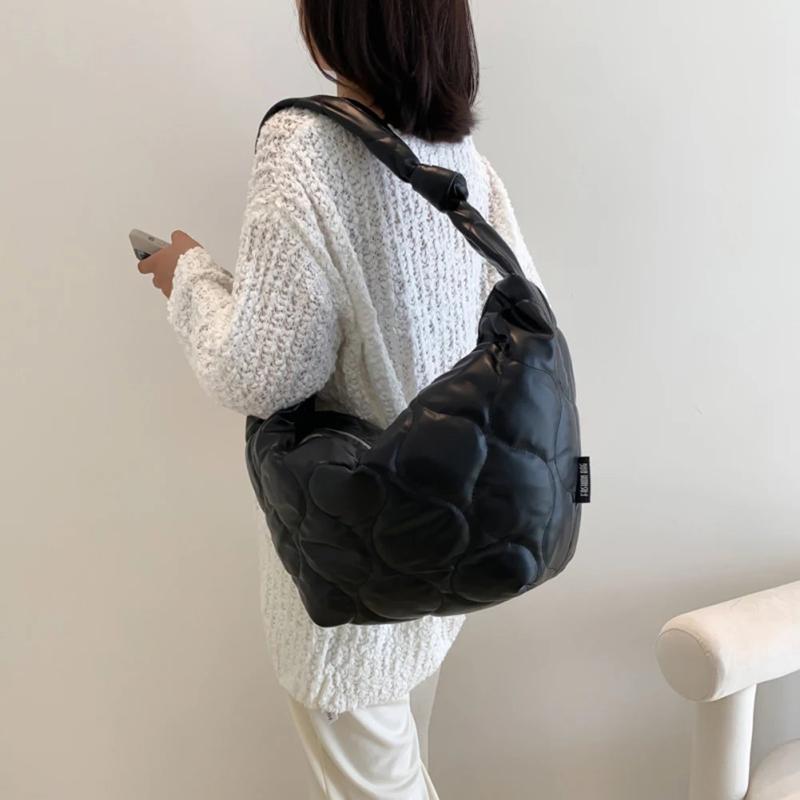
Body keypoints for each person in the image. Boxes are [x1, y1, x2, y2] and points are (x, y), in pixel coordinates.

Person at [137, 1, 545, 797]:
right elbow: (523, 323)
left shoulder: (306, 146)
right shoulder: (460, 160)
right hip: (444, 556)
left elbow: (262, 372)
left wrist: (189, 277)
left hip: (354, 582)